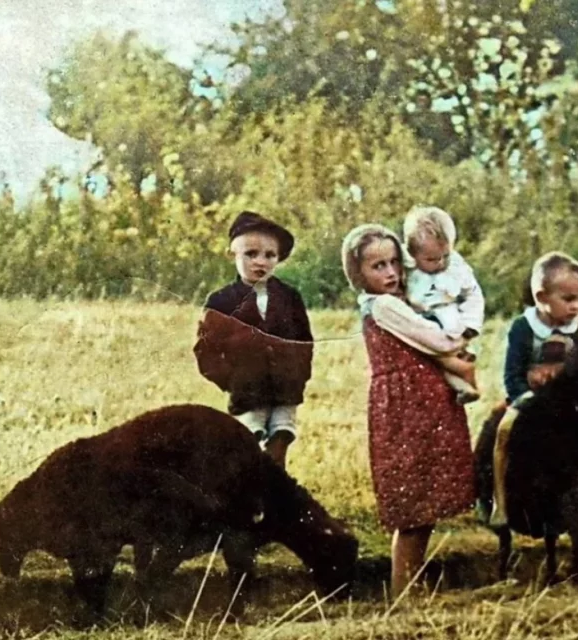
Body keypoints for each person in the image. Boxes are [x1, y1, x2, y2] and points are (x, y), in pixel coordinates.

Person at [341, 223, 475, 597]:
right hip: (406, 408)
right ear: (359, 274)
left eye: (394, 263)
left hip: (422, 403)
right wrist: (460, 338)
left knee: (423, 503)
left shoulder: (396, 302)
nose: (390, 273)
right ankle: (404, 591)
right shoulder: (383, 306)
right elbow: (433, 341)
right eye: (377, 266)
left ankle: (411, 585)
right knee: (413, 507)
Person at [487, 251, 578, 527]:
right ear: (541, 297)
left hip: (572, 400)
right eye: (568, 299)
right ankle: (499, 502)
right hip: (530, 398)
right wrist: (526, 399)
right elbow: (512, 373)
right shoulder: (523, 328)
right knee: (504, 432)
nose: (576, 306)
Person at [193, 211, 313, 468]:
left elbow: (305, 340)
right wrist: (231, 380)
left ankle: (275, 498)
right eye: (251, 254)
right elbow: (206, 351)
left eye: (270, 255)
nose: (261, 262)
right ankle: (245, 497)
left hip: (285, 388)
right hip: (247, 391)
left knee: (280, 439)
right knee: (248, 442)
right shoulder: (221, 301)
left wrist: (298, 374)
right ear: (232, 255)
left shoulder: (289, 297)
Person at [402, 206, 485, 404]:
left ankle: (464, 379)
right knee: (431, 354)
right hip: (419, 320)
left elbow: (473, 294)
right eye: (431, 259)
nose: (440, 263)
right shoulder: (407, 268)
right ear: (412, 253)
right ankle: (463, 381)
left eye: (445, 256)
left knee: (449, 348)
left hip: (449, 319)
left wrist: (471, 325)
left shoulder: (456, 267)